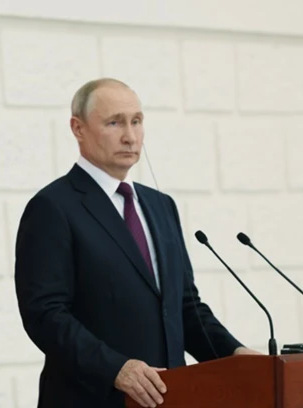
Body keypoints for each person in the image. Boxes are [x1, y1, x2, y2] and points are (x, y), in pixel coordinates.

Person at [13, 78, 258, 408]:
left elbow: (185, 307)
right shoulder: (53, 207)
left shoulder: (161, 205)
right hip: (91, 399)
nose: (130, 136)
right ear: (78, 128)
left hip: (168, 396)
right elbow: (44, 314)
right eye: (114, 123)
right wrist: (116, 368)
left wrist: (235, 355)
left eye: (137, 121)